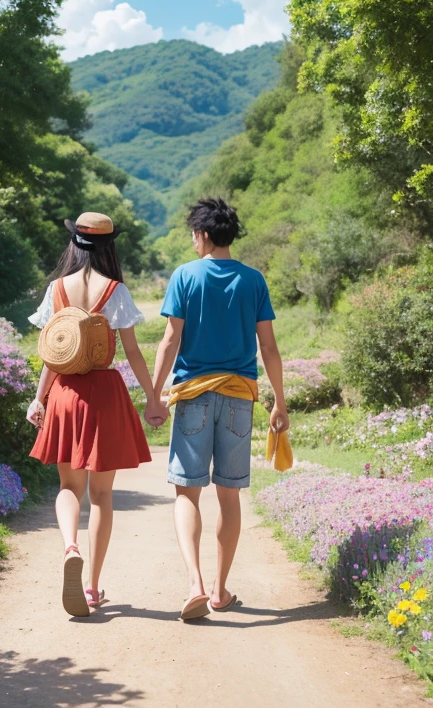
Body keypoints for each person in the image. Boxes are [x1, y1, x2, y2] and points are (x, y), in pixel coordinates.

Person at [148, 197, 289, 621]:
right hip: (238, 398)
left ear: (203, 235)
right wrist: (280, 402)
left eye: (194, 234)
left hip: (192, 397)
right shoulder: (254, 280)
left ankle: (194, 584)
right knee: (229, 497)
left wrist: (155, 395)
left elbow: (170, 341)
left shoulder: (185, 276)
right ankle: (219, 590)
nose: (194, 241)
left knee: (186, 493)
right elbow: (268, 346)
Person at [27, 212, 166, 617]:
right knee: (102, 495)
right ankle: (91, 588)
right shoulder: (115, 291)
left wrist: (40, 399)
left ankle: (69, 546)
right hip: (105, 393)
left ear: (74, 243)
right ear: (109, 246)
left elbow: (54, 352)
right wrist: (153, 398)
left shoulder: (57, 290)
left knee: (69, 487)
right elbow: (135, 353)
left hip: (66, 394)